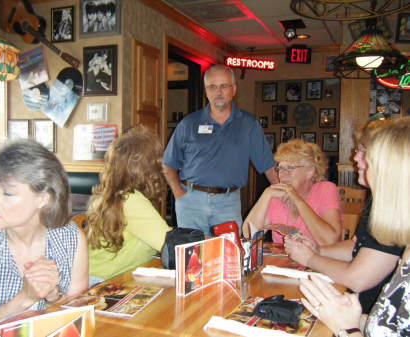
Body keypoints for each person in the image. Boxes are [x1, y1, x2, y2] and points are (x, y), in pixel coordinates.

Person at [0, 140, 88, 333]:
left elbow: (79, 320)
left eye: (8, 193)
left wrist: (53, 297)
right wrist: (25, 298)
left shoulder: (72, 239)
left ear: (43, 198)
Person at [299, 118, 410, 337]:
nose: (356, 157)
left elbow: (358, 278)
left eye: (366, 153)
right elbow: (388, 323)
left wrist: (346, 327)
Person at [163, 64, 278, 236]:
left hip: (228, 203)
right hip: (190, 201)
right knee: (192, 256)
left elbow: (268, 165)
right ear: (206, 91)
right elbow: (168, 163)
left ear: (234, 89)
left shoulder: (248, 124)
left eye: (223, 86)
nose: (218, 92)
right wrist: (179, 193)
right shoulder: (189, 123)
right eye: (212, 87)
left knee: (228, 254)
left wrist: (286, 194)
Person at [87, 125, 171, 283]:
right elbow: (170, 245)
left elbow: (157, 232)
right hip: (104, 282)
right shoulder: (132, 201)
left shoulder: (113, 194)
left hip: (98, 276)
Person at [243, 139, 342, 246]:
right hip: (282, 262)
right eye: (280, 168)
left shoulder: (325, 190)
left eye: (290, 167)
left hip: (315, 261)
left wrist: (297, 200)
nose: (282, 173)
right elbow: (249, 235)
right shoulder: (276, 196)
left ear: (310, 171)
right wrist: (266, 194)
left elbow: (330, 241)